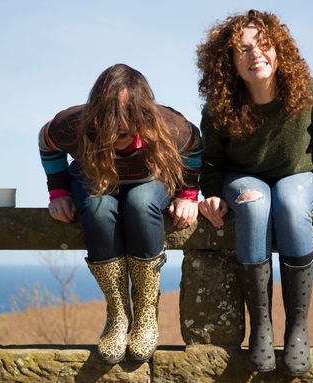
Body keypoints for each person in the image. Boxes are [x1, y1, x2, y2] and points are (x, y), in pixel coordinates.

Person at [196, 10, 313, 376]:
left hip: (298, 177)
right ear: (230, 61)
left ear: (279, 50)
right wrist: (214, 193)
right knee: (255, 204)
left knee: (289, 200)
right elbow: (211, 160)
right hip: (244, 179)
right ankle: (261, 326)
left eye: (264, 45)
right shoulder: (220, 106)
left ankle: (297, 328)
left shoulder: (309, 92)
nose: (256, 55)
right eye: (244, 49)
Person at [38, 64, 202, 363]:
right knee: (98, 208)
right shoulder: (70, 124)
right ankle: (117, 312)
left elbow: (193, 145)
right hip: (94, 177)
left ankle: (145, 313)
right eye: (108, 129)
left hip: (150, 177)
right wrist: (58, 192)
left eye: (125, 130)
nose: (116, 138)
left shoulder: (170, 125)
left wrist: (188, 194)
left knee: (139, 205)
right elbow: (46, 143)